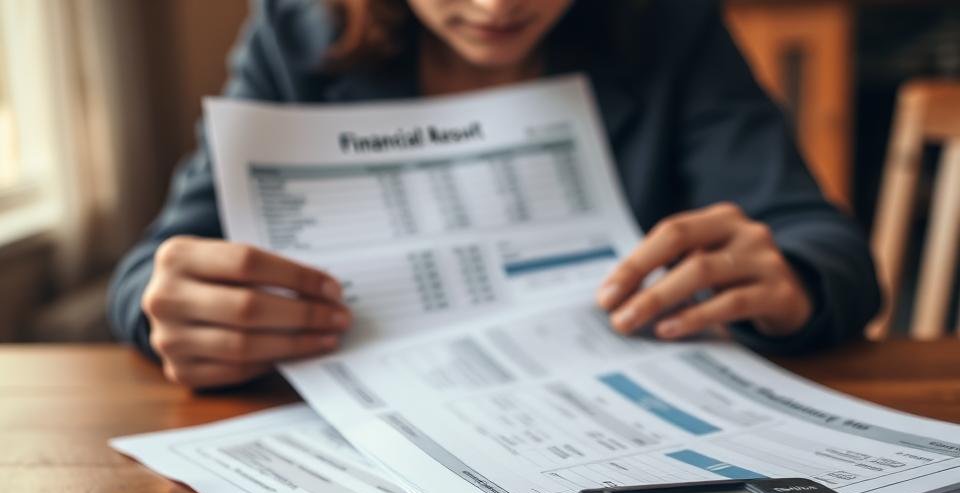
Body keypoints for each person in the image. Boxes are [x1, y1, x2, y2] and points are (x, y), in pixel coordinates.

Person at [108, 0, 881, 389]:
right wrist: (166, 308)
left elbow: (826, 248)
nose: (497, 5)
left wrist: (789, 283)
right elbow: (152, 273)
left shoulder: (667, 24)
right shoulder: (300, 29)